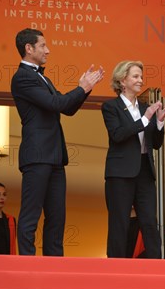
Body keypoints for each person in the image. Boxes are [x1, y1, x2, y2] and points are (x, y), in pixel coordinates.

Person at [11, 28, 103, 256]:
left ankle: (54, 266)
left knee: (57, 218)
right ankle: (27, 266)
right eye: (43, 46)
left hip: (54, 157)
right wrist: (81, 88)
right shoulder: (22, 77)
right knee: (31, 215)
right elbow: (56, 104)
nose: (48, 50)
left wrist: (85, 89)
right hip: (37, 155)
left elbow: (67, 108)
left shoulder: (43, 77)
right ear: (28, 48)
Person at [102, 60, 165, 259]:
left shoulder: (145, 108)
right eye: (135, 76)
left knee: (149, 221)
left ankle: (156, 267)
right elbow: (118, 135)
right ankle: (116, 268)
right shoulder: (110, 107)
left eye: (141, 76)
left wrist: (159, 121)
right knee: (119, 222)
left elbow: (155, 144)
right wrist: (146, 119)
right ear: (123, 80)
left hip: (144, 172)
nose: (141, 80)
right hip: (120, 173)